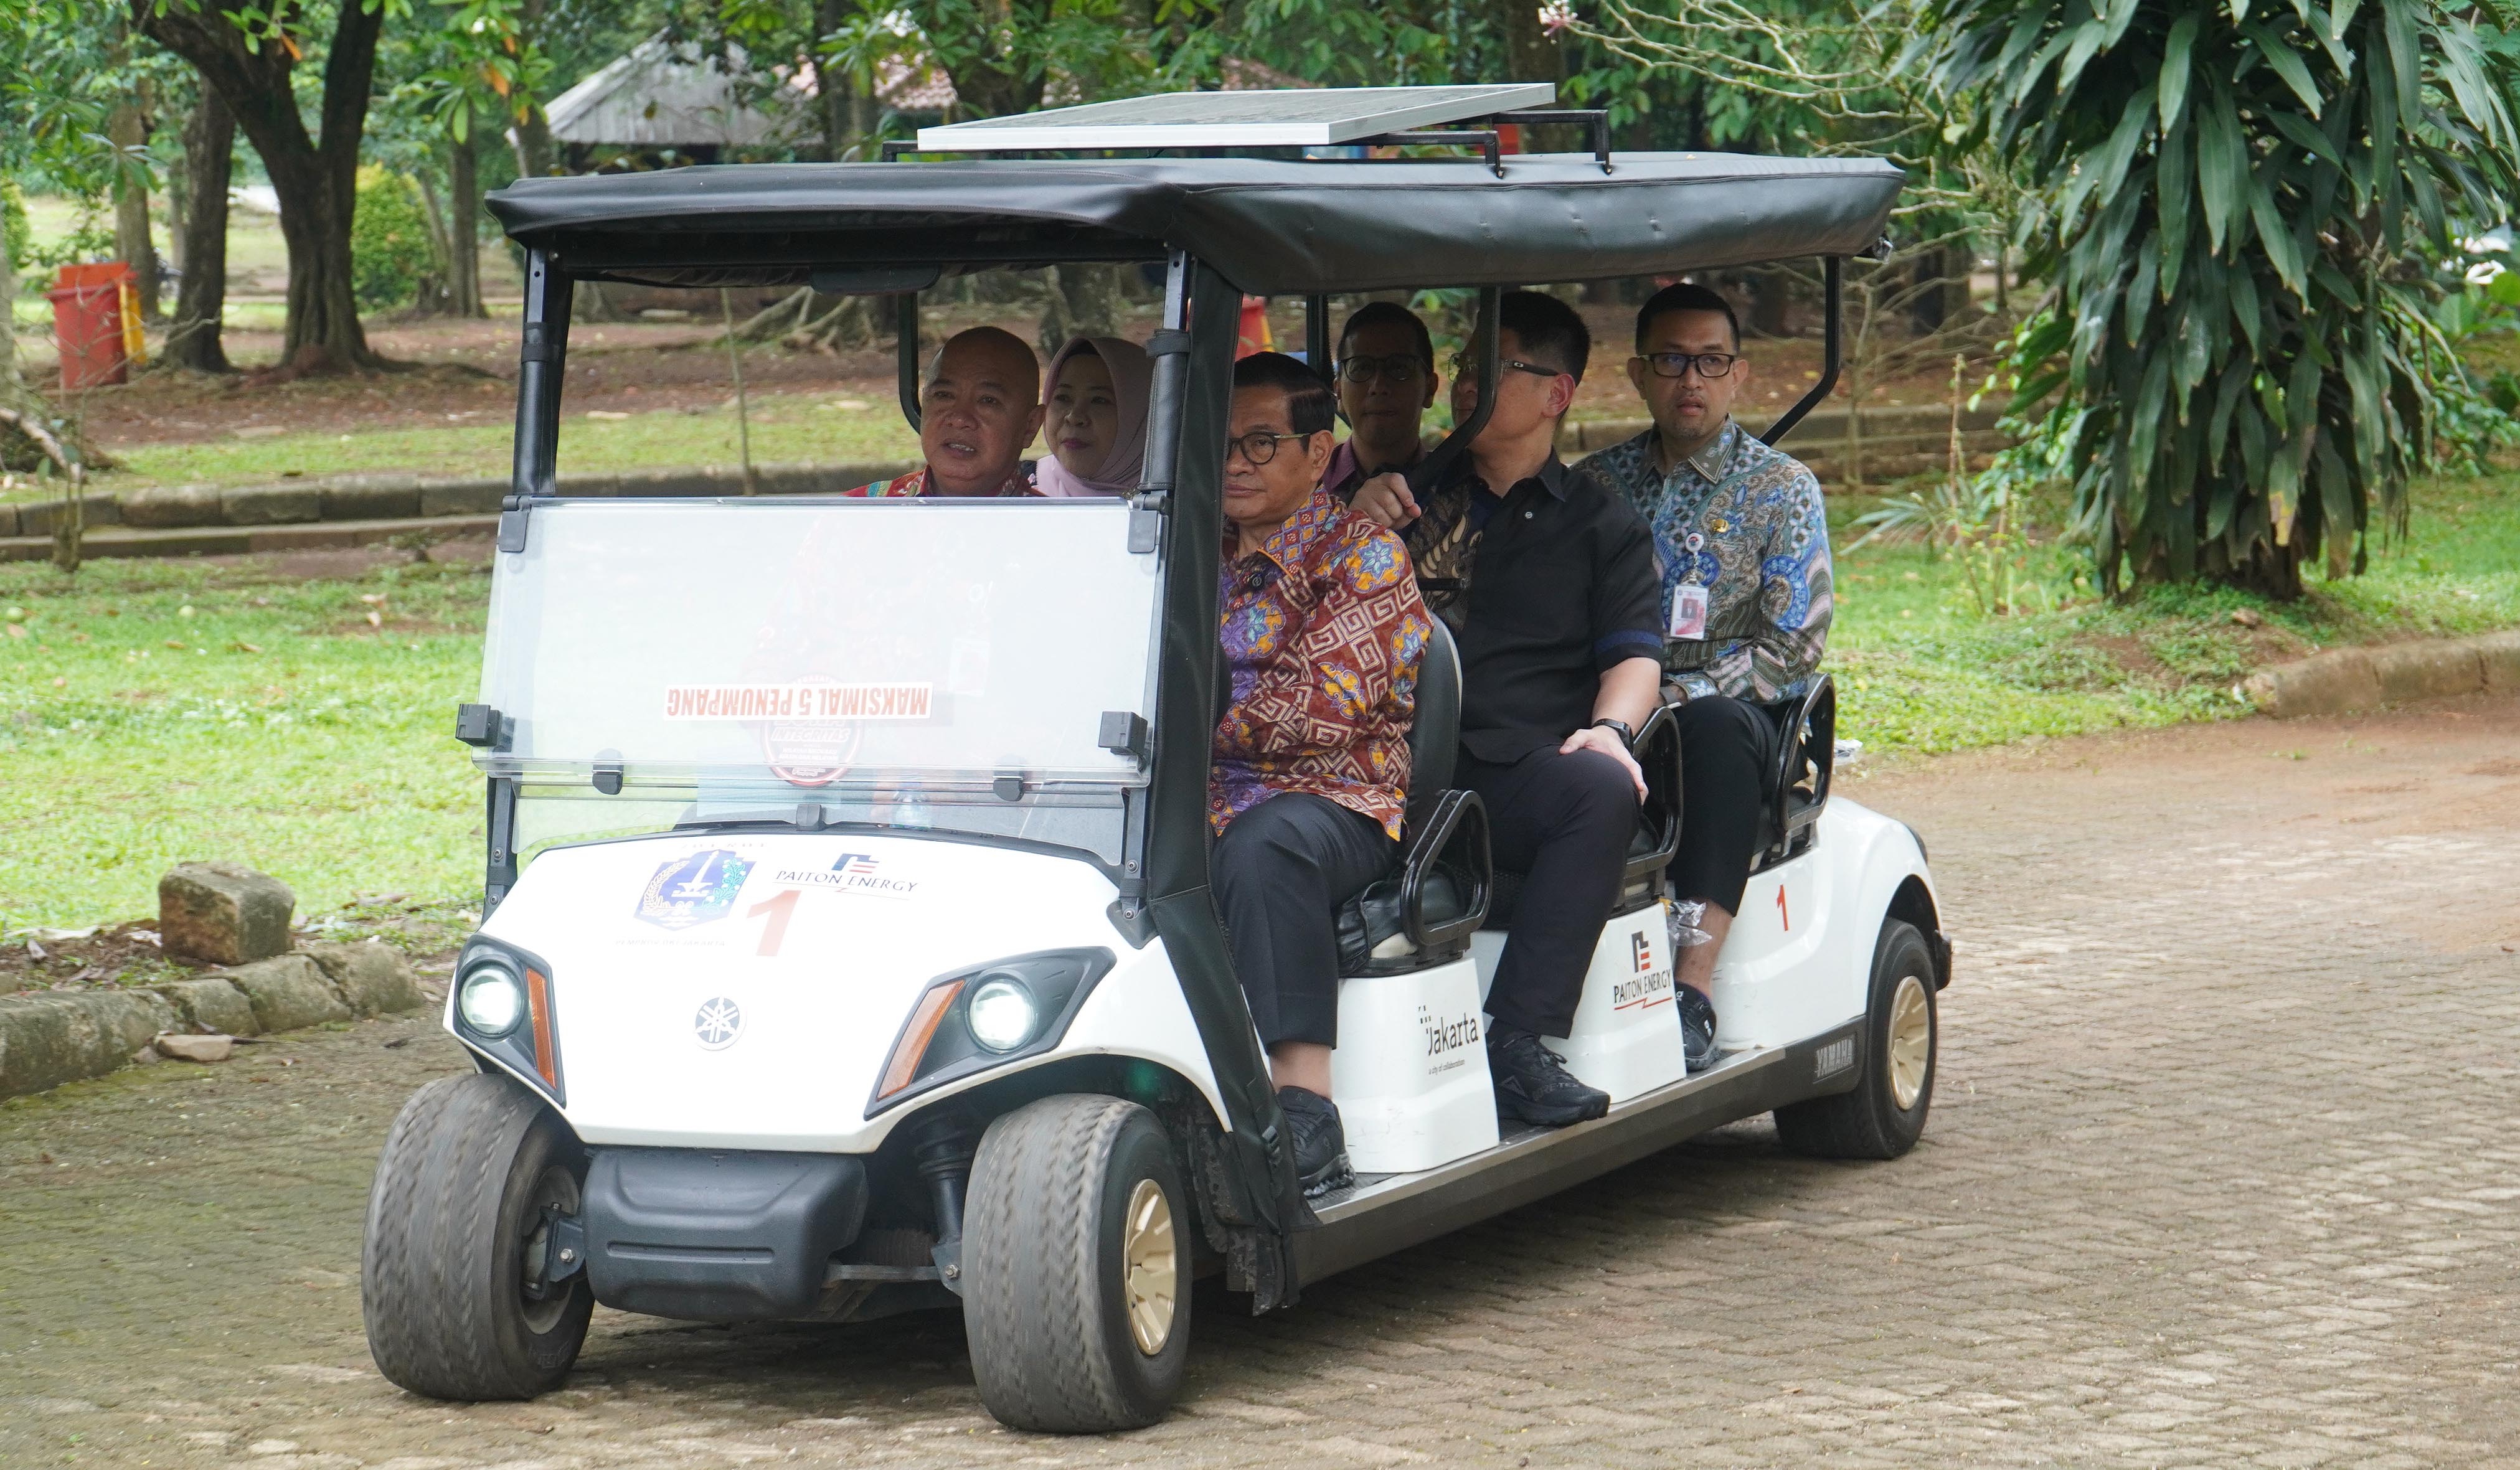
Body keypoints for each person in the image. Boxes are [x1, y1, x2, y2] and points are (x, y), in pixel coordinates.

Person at [1350, 291, 1664, 1127]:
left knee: (1599, 788)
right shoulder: (1402, 500)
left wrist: (1609, 731)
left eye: (1491, 368)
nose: (1461, 384)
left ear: (1554, 394)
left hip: (1513, 764)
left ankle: (1517, 1042)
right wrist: (1348, 529)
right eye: (1460, 366)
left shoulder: (1602, 522)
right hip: (1383, 754)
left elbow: (1634, 657)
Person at [1579, 282, 1834, 1072]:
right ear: (1638, 373)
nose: (1692, 380)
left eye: (1711, 362)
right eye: (1673, 360)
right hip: (1607, 702)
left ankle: (1693, 986)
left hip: (1727, 710)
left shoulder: (1782, 488)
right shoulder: (1596, 485)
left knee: (1713, 735)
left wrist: (1675, 697)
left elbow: (1795, 643)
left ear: (1740, 375)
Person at [1210, 351, 1431, 1198]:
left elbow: (1314, 712)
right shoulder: (1184, 548)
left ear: (1317, 451)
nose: (1234, 461)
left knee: (1263, 849)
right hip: (1185, 794)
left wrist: (1161, 737)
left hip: (1332, 802)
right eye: (1223, 442)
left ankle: (1305, 1104)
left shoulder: (1365, 558)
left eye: (1260, 443)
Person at [847, 326, 1044, 497]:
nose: (959, 419)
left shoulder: (1053, 530)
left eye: (988, 400)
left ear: (1030, 427)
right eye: (944, 395)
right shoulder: (857, 515)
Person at [1322, 303, 1438, 501]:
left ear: (1430, 388)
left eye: (1399, 368)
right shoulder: (1305, 486)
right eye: (1361, 368)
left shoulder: (1456, 488)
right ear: (1338, 392)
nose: (1378, 385)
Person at [1034, 336, 1153, 498]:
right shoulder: (1020, 493)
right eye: (1063, 397)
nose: (1074, 417)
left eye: (1099, 400)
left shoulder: (1177, 509)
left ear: (1141, 418)